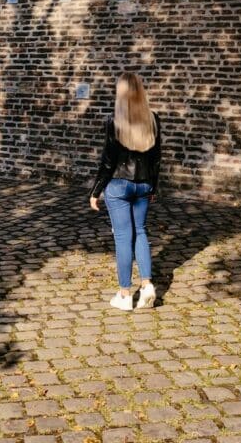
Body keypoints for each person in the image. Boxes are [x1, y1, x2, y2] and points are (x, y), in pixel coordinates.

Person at [89, 71, 161, 310]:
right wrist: (154, 186)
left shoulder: (114, 120)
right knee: (140, 231)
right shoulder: (153, 119)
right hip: (144, 184)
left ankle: (124, 294)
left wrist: (96, 190)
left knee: (123, 237)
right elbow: (156, 158)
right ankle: (147, 285)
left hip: (119, 185)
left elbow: (108, 161)